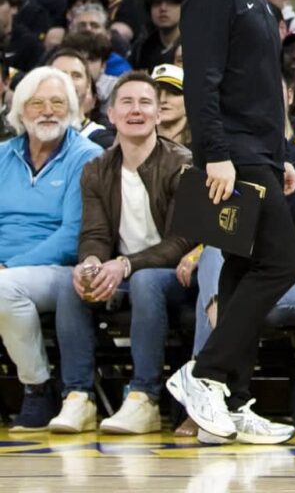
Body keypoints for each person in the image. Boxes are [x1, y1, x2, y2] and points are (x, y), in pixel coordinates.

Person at [166, 0, 295, 445]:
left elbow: (262, 91)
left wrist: (283, 155)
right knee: (283, 263)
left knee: (246, 271)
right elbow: (202, 83)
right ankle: (204, 373)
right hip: (234, 153)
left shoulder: (258, 1)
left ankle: (235, 398)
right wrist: (214, 154)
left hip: (260, 152)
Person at [46, 72, 192, 436]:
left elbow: (183, 242)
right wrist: (92, 263)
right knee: (72, 282)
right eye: (126, 102)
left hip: (174, 276)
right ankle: (78, 396)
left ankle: (144, 396)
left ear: (159, 115)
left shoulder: (181, 163)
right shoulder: (96, 169)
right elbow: (94, 235)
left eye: (145, 103)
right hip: (123, 273)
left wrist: (126, 265)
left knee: (144, 281)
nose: (136, 110)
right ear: (110, 115)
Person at [0, 66, 102, 429]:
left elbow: (72, 233)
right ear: (20, 110)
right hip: (7, 270)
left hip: (61, 270)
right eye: (37, 102)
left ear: (72, 109)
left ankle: (38, 388)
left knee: (3, 289)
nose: (47, 111)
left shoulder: (86, 156)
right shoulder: (2, 155)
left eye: (58, 102)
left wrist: (10, 266)